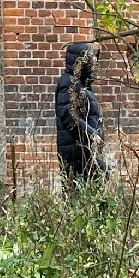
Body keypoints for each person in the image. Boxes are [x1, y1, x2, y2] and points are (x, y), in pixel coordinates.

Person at [54, 41, 104, 182]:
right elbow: (68, 115)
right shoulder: (69, 83)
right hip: (76, 152)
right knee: (79, 192)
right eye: (90, 61)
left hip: (85, 151)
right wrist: (91, 134)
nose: (94, 65)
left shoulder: (83, 86)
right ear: (80, 62)